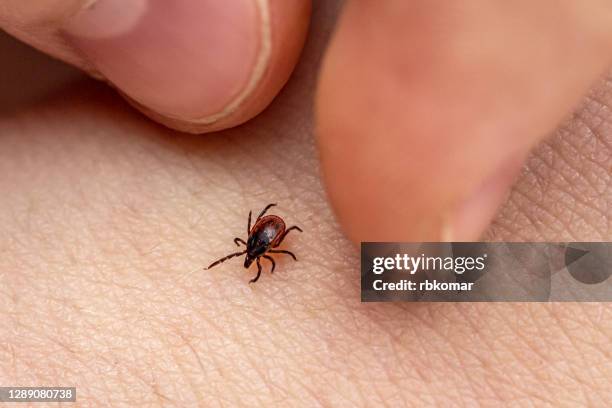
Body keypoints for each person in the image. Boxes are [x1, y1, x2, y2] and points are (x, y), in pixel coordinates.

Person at [0, 1, 609, 405]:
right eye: (253, 252)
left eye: (255, 252)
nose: (253, 253)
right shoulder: (268, 241)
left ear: (260, 247)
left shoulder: (264, 241)